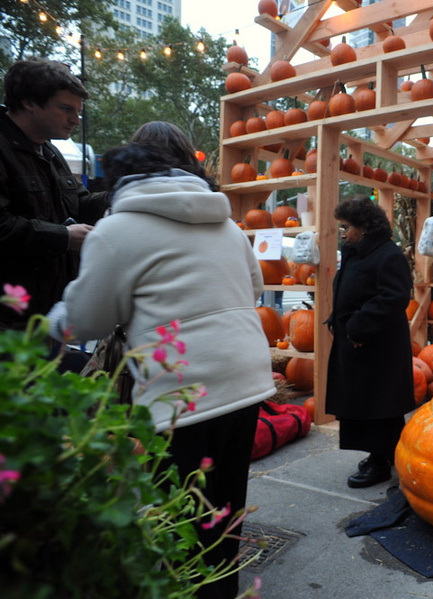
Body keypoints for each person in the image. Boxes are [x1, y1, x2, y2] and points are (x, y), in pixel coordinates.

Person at [47, 125, 275, 599]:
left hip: (180, 390)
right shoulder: (227, 224)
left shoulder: (116, 230)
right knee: (225, 505)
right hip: (246, 377)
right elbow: (255, 289)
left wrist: (44, 326)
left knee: (175, 519)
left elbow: (85, 320)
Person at [0, 58, 109, 331]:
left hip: (49, 313)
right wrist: (64, 237)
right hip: (10, 320)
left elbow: (79, 203)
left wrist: (122, 194)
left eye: (78, 111)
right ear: (29, 102)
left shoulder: (49, 150)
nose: (75, 119)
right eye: (66, 109)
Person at [326, 196, 415, 488]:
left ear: (364, 227)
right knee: (363, 403)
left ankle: (380, 461)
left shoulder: (388, 254)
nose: (343, 232)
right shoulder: (357, 252)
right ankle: (385, 456)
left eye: (346, 227)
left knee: (379, 406)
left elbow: (394, 297)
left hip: (377, 346)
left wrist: (357, 326)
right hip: (358, 344)